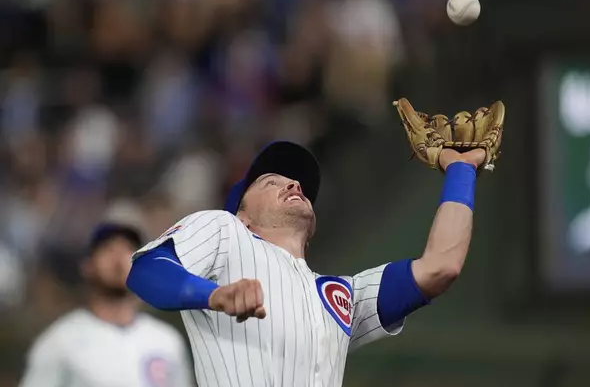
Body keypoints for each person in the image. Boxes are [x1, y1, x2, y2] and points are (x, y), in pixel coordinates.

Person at [126, 140, 483, 387]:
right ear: (244, 214)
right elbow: (146, 270)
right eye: (271, 181)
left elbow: (441, 266)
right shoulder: (226, 231)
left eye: (297, 184)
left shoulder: (340, 295)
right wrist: (213, 295)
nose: (293, 184)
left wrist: (461, 171)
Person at [19, 223, 193, 387]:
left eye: (127, 250)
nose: (118, 259)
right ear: (87, 266)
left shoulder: (166, 340)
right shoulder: (60, 342)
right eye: (108, 250)